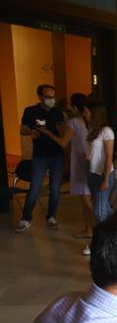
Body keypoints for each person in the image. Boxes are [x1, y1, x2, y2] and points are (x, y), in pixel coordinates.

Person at [15, 84, 67, 233]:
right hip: (40, 155)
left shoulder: (58, 112)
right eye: (48, 97)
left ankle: (51, 216)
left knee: (55, 189)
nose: (51, 100)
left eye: (53, 97)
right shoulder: (31, 111)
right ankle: (26, 218)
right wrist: (31, 131)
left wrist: (62, 128)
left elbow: (64, 132)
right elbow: (23, 130)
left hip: (57, 155)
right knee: (35, 187)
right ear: (40, 97)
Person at [85, 102, 115, 255]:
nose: (86, 114)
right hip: (92, 173)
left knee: (99, 212)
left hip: (104, 174)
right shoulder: (92, 130)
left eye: (88, 112)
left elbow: (109, 156)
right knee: (104, 209)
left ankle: (104, 243)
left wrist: (106, 178)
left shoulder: (107, 131)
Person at [67, 93, 94, 238]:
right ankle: (88, 228)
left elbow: (62, 142)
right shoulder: (91, 121)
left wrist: (48, 133)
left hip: (79, 161)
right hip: (90, 160)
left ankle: (93, 229)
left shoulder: (74, 122)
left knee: (85, 199)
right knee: (88, 196)